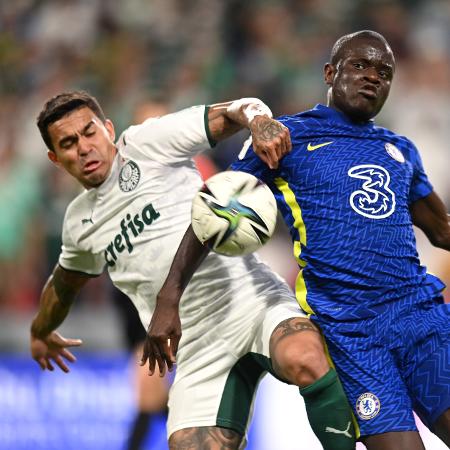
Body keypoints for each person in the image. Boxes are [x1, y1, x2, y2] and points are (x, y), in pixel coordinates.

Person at [29, 91, 356, 450]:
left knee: (304, 355)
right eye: (68, 143)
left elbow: (239, 109)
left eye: (89, 132)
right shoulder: (79, 224)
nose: (84, 147)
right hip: (193, 346)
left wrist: (260, 123)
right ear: (55, 159)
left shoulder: (147, 142)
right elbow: (64, 285)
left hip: (251, 300)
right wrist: (41, 331)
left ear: (108, 128)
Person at [227, 30, 449, 450]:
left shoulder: (399, 149)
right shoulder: (284, 138)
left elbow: (441, 231)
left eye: (384, 72)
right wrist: (170, 299)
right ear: (330, 73)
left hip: (419, 316)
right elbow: (215, 209)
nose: (372, 77)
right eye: (360, 65)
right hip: (352, 331)